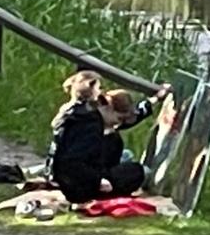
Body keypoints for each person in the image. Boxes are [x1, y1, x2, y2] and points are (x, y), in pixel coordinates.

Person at [47, 73, 168, 203]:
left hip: (71, 175)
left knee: (123, 152)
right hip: (77, 185)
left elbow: (129, 119)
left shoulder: (80, 113)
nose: (118, 124)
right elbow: (72, 161)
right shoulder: (89, 123)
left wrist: (154, 100)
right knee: (137, 171)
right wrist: (98, 181)